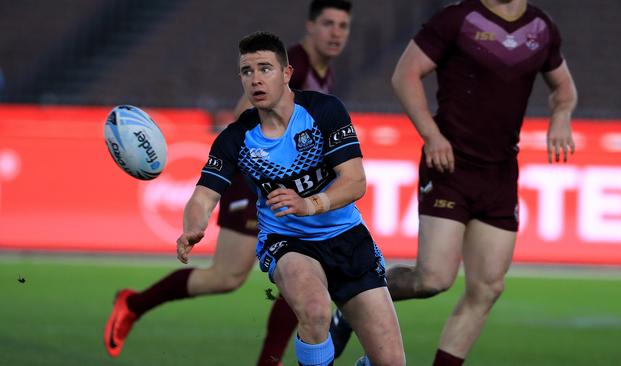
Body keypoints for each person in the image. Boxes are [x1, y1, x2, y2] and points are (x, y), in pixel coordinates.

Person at [103, 1, 353, 365]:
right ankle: (133, 304)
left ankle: (266, 359)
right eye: (328, 23)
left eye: (343, 26)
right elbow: (242, 118)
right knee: (231, 275)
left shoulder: (321, 73)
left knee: (293, 271)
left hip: (284, 190)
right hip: (257, 183)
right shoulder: (292, 66)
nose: (336, 33)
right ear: (310, 27)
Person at [331, 0, 578, 364]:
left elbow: (564, 87)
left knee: (488, 287)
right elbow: (405, 74)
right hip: (450, 166)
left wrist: (562, 115)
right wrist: (432, 136)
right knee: (431, 279)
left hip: (499, 174)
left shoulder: (541, 29)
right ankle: (354, 300)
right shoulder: (459, 19)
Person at [177, 31, 405, 365]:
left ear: (286, 74)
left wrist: (309, 204)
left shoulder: (323, 111)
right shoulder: (236, 137)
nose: (255, 79)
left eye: (265, 68)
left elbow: (355, 181)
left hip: (347, 237)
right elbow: (203, 196)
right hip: (288, 241)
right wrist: (191, 227)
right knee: (315, 311)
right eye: (247, 71)